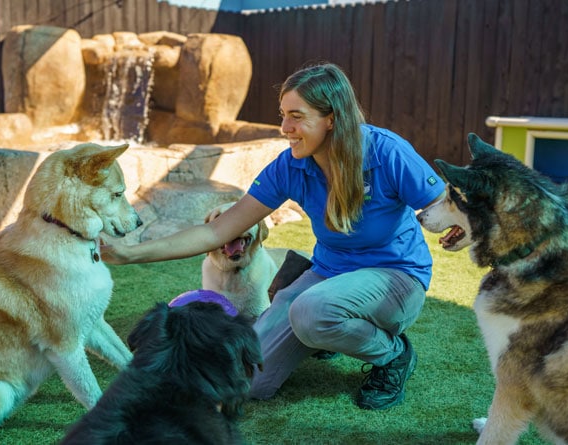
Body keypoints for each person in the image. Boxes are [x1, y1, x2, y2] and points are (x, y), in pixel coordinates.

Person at [102, 62, 445, 410]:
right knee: (247, 377)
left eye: (296, 116)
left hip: (396, 279)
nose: (284, 128)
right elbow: (218, 230)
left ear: (332, 118)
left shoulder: (386, 151)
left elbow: (445, 205)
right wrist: (131, 253)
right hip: (330, 274)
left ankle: (392, 353)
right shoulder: (291, 165)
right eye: (282, 115)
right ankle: (324, 330)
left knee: (312, 312)